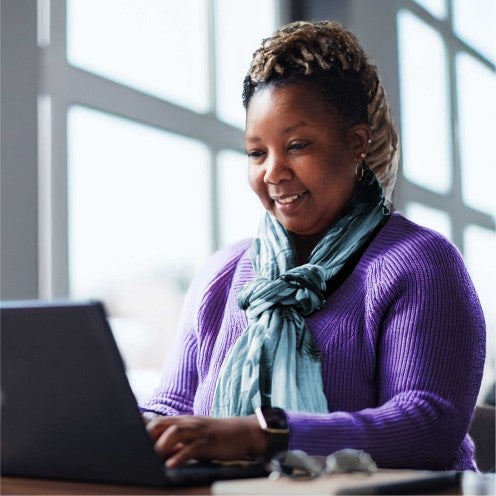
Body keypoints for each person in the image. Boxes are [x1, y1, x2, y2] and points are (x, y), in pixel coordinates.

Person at [140, 20, 485, 471]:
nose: (273, 172)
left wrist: (262, 436)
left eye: (297, 145)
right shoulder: (222, 275)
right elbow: (172, 410)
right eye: (256, 152)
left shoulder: (420, 263)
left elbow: (427, 426)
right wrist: (128, 431)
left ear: (355, 143)